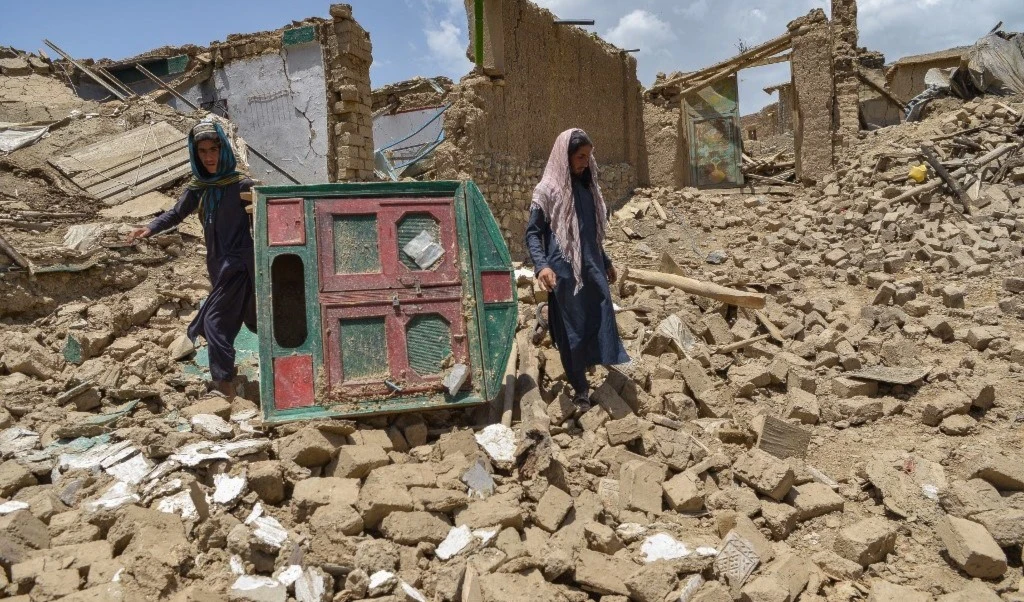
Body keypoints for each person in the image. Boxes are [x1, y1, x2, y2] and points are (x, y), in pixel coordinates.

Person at [127, 121, 256, 397]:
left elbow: (264, 218)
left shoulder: (241, 185)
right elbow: (176, 213)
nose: (209, 157)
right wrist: (150, 228)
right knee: (241, 320)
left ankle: (223, 385)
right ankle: (234, 375)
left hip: (240, 264)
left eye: (214, 150)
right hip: (218, 266)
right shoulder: (199, 188)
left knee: (214, 322)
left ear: (224, 150)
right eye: (203, 151)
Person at [525, 128, 629, 412]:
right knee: (573, 327)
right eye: (580, 156)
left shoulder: (587, 188)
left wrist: (605, 261)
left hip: (591, 264)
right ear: (565, 156)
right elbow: (533, 234)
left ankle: (591, 359)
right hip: (563, 269)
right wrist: (542, 265)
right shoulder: (546, 190)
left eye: (588, 156)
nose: (586, 162)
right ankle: (580, 388)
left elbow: (588, 234)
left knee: (600, 312)